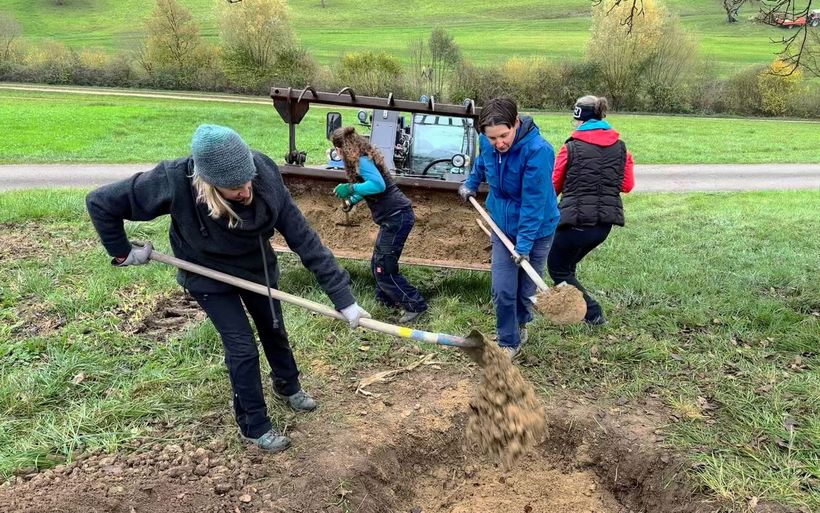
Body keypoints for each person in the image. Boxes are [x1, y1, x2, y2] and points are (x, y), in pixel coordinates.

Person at [86, 124, 371, 453]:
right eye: (234, 187)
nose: (246, 190)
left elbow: (304, 238)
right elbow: (101, 203)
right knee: (242, 348)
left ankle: (287, 385)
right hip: (206, 274)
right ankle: (255, 425)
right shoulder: (174, 179)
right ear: (207, 182)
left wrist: (344, 300)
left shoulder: (263, 174)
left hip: (255, 268)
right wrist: (121, 251)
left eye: (247, 179)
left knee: (273, 328)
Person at [458, 98, 560, 359]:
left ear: (516, 123)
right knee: (503, 289)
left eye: (504, 135)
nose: (499, 143)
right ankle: (508, 341)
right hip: (502, 227)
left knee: (525, 291)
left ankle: (522, 323)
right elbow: (483, 164)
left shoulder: (538, 151)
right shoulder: (488, 144)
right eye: (492, 138)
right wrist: (471, 182)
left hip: (537, 231)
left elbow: (533, 203)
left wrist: (524, 245)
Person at [548, 95, 635, 325]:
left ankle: (592, 313)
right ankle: (575, 306)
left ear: (579, 119)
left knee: (557, 269)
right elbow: (627, 186)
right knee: (568, 267)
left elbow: (553, 186)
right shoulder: (622, 148)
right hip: (603, 227)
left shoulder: (571, 148)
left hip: (575, 224)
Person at [330, 126, 428, 324]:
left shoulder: (363, 161)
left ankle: (415, 304)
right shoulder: (361, 159)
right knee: (378, 263)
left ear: (343, 148)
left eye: (337, 149)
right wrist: (352, 200)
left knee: (383, 268)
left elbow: (378, 185)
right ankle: (385, 301)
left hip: (397, 216)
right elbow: (369, 188)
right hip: (393, 217)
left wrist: (349, 188)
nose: (337, 154)